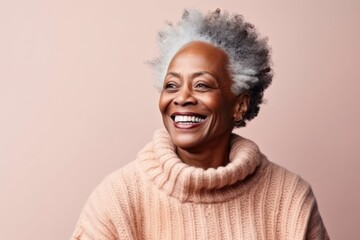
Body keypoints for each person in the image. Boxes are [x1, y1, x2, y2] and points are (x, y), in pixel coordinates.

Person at [71, 9, 329, 239]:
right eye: (171, 85)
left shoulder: (290, 200)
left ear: (240, 105)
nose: (182, 98)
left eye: (202, 85)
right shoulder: (118, 200)